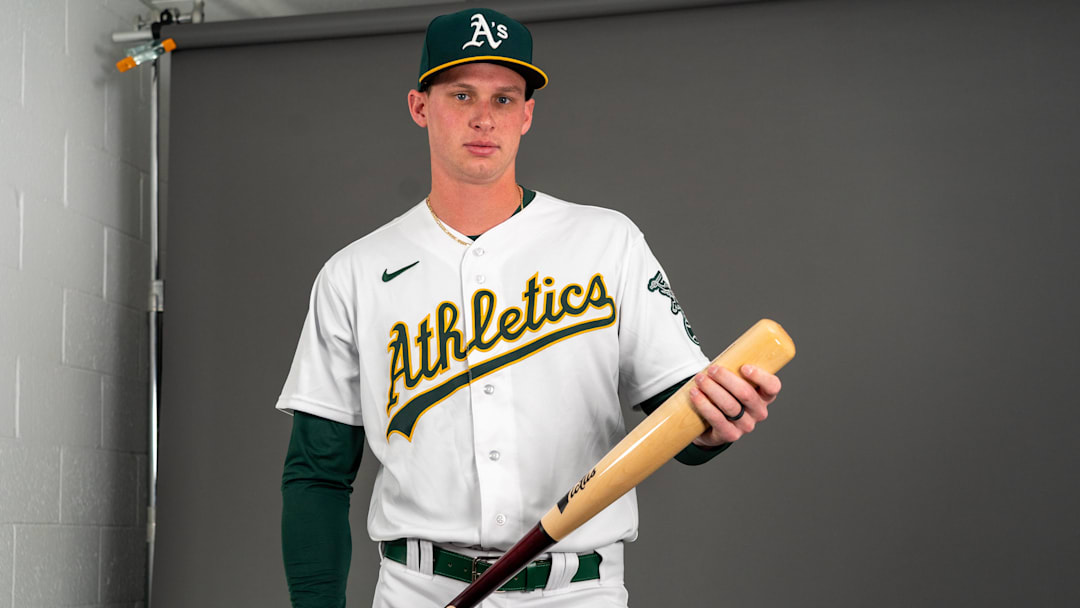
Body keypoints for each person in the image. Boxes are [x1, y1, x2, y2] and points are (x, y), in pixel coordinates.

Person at [277, 8, 782, 608]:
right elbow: (318, 473)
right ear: (419, 106)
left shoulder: (607, 241)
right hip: (417, 591)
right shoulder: (353, 273)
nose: (484, 117)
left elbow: (683, 425)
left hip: (577, 593)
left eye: (505, 98)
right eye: (461, 93)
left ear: (528, 114)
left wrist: (718, 422)